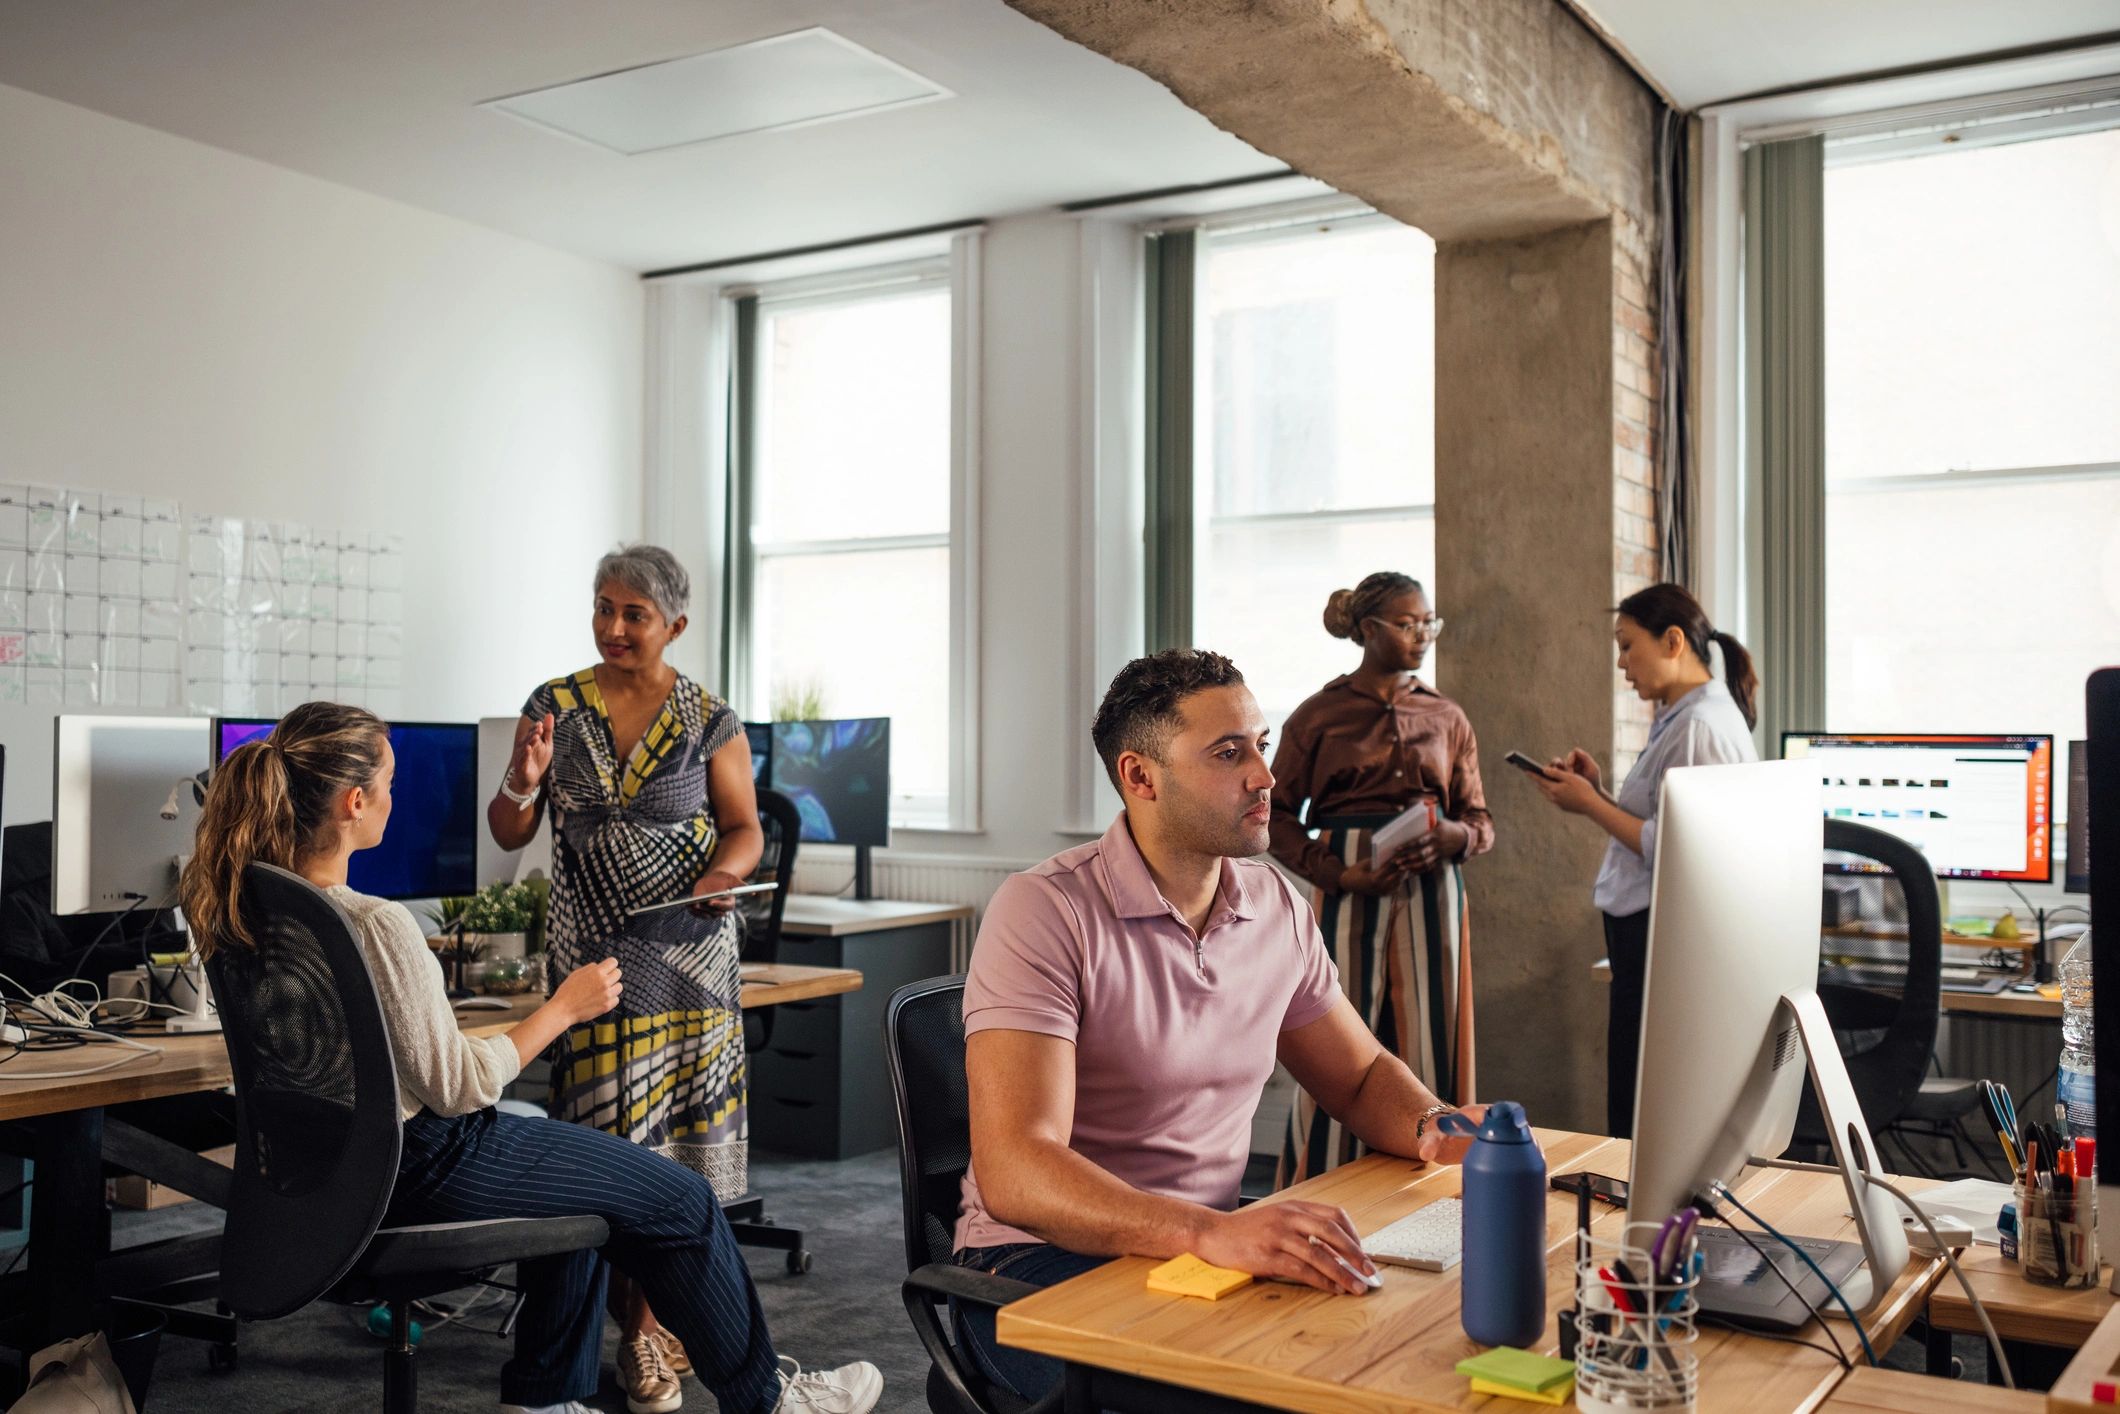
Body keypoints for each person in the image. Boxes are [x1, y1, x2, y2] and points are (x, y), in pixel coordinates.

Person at [178, 702, 881, 1414]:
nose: (397, 797)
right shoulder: (378, 924)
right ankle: (769, 1402)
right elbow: (458, 1085)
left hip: (334, 1172)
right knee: (684, 1199)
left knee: (575, 1178)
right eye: (390, 782)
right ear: (354, 803)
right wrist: (564, 1008)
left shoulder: (245, 898)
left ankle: (545, 1400)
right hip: (423, 1161)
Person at [953, 650, 1484, 1404]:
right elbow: (1016, 1170)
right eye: (1229, 753)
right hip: (1038, 1267)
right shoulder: (1045, 910)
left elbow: (1361, 1077)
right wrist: (1208, 1233)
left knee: (1399, 1351)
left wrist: (1439, 1125)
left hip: (1200, 1249)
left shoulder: (1274, 905)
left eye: (1260, 746)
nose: (1265, 777)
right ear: (1141, 777)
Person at [486, 544, 763, 1413]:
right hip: (597, 972)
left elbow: (745, 828)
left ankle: (646, 1329)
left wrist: (721, 880)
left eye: (632, 614)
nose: (612, 627)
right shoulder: (553, 706)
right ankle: (636, 1329)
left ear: (674, 624)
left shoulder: (709, 717)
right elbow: (505, 831)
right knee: (607, 1156)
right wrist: (521, 782)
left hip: (691, 966)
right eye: (603, 608)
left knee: (679, 1150)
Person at [1267, 572, 1492, 1183]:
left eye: (1429, 623)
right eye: (1408, 623)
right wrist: (1338, 872)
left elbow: (1480, 821)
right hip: (1346, 888)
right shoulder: (1319, 715)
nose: (1423, 635)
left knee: (1433, 1030)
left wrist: (1456, 836)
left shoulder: (1446, 715)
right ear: (1368, 630)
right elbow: (1276, 816)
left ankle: (1441, 1173)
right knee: (1340, 1037)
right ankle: (1323, 1180)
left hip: (1433, 889)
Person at [1527, 582, 1759, 1139]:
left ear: (1673, 641)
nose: (1621, 662)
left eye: (1628, 645)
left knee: (1641, 1103)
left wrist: (1590, 807)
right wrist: (1600, 794)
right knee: (1636, 1091)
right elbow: (1665, 821)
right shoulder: (1685, 716)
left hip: (1660, 931)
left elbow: (1684, 849)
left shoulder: (1700, 726)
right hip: (1645, 929)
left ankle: (1642, 1223)